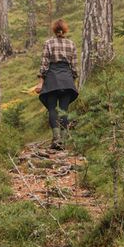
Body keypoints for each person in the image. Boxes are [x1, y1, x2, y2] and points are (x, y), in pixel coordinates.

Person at [37, 18, 79, 150]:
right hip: (67, 79)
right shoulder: (71, 44)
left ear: (54, 30)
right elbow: (74, 67)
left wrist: (40, 83)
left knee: (52, 109)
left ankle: (56, 139)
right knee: (64, 110)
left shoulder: (48, 43)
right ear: (65, 30)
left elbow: (44, 65)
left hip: (52, 80)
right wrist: (72, 82)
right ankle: (64, 141)